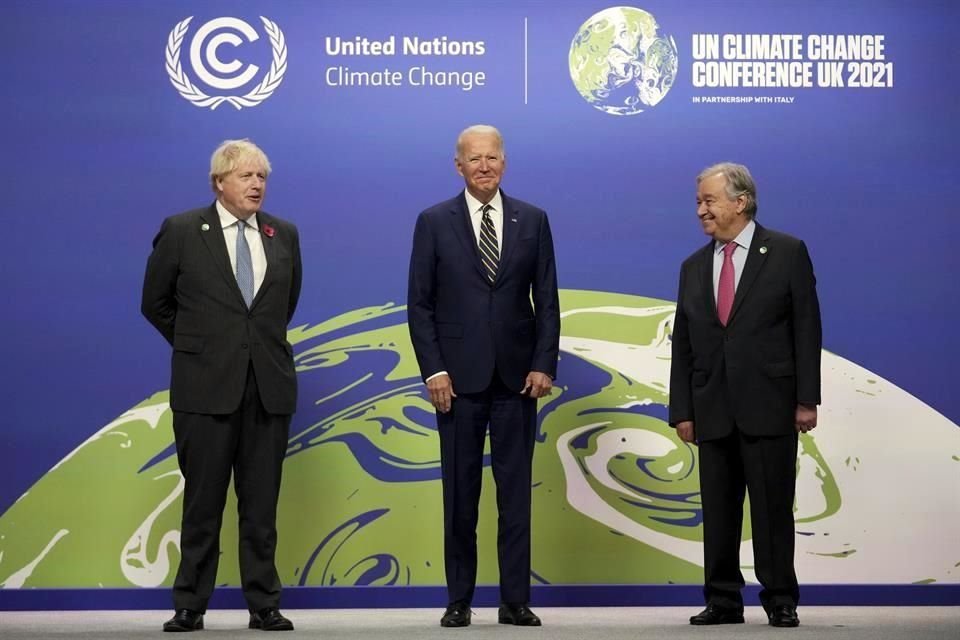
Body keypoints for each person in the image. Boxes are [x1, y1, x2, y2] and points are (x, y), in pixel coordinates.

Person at [142, 139, 302, 632]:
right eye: (246, 177)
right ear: (219, 182)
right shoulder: (184, 230)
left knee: (261, 506)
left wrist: (250, 349)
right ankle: (191, 603)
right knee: (203, 502)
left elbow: (283, 305)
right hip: (204, 390)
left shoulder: (284, 234)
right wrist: (202, 346)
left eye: (262, 177)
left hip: (267, 389)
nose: (257, 185)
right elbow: (156, 303)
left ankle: (263, 604)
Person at [407, 125, 560, 628]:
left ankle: (515, 600)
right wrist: (435, 370)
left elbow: (548, 301)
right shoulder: (433, 222)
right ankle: (459, 600)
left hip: (518, 381)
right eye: (475, 159)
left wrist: (543, 363)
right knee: (460, 499)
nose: (484, 166)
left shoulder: (533, 220)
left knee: (515, 498)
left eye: (492, 157)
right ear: (459, 166)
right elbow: (420, 306)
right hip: (457, 382)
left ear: (504, 162)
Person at [669, 162, 821, 628]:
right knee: (717, 511)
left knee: (773, 508)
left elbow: (806, 329)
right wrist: (682, 410)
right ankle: (722, 600)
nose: (701, 211)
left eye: (709, 201)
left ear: (741, 202)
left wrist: (806, 399)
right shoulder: (693, 266)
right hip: (712, 406)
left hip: (770, 404)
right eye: (698, 202)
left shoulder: (788, 252)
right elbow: (685, 342)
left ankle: (779, 599)